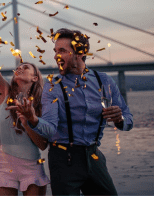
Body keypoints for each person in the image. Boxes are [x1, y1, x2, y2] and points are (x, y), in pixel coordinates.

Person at [16, 28, 133, 196]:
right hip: (64, 160)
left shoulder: (104, 81)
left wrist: (120, 119)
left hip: (94, 157)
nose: (56, 56)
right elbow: (49, 128)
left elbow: (129, 119)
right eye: (55, 51)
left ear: (80, 52)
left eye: (62, 51)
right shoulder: (52, 85)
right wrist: (33, 119)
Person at [0, 11, 49, 196]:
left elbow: (42, 145)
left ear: (34, 77)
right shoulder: (5, 91)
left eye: (26, 67)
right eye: (18, 67)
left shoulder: (40, 103)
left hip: (31, 165)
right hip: (3, 164)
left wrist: (27, 121)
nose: (20, 68)